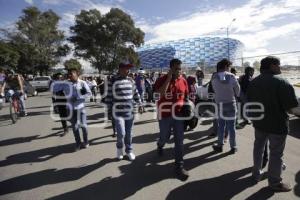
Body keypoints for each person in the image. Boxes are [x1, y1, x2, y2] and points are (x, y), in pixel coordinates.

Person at [247, 56, 300, 192]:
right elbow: (292, 109)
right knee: (276, 153)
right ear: (272, 66)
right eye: (279, 65)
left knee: (258, 148)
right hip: (277, 125)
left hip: (259, 124)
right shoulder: (282, 82)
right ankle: (275, 182)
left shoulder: (254, 82)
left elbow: (249, 104)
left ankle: (256, 174)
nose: (280, 67)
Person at [154, 58, 189, 180]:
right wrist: (168, 78)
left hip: (179, 115)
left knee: (179, 141)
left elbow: (186, 96)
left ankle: (179, 166)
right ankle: (160, 145)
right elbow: (158, 95)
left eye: (180, 68)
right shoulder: (161, 80)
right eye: (176, 69)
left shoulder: (183, 81)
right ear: (171, 68)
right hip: (164, 115)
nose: (179, 71)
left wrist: (189, 109)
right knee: (165, 137)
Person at [105, 62, 143, 161]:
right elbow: (109, 96)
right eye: (127, 68)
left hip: (130, 111)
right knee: (121, 133)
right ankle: (119, 149)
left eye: (129, 68)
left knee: (129, 133)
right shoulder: (113, 80)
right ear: (120, 69)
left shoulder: (131, 80)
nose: (128, 71)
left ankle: (129, 151)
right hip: (117, 112)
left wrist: (140, 104)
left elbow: (136, 93)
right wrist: (108, 110)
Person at [211, 59, 240, 154]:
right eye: (229, 67)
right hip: (231, 104)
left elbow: (215, 89)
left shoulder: (214, 77)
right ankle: (233, 147)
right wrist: (236, 94)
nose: (229, 68)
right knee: (232, 127)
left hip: (220, 104)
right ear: (226, 66)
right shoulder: (232, 76)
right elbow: (238, 90)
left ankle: (220, 145)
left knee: (221, 126)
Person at [65, 68, 92, 151]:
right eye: (68, 74)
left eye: (71, 74)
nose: (69, 76)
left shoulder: (82, 83)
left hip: (80, 108)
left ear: (77, 74)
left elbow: (89, 94)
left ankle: (86, 141)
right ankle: (78, 143)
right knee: (75, 128)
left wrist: (78, 97)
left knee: (84, 126)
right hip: (71, 109)